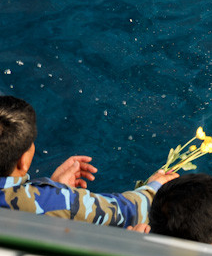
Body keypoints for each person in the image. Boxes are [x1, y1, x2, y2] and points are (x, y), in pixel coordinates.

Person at [0, 95, 177, 227]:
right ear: (23, 161)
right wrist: (153, 190)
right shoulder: (58, 202)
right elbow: (126, 212)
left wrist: (52, 187)